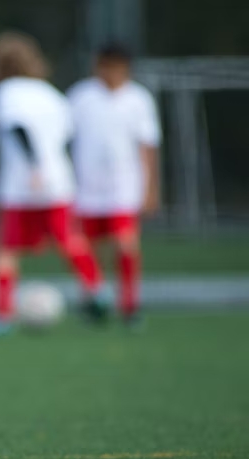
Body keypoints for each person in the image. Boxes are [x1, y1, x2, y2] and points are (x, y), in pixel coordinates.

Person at [0, 31, 107, 335]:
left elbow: (17, 126)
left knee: (6, 250)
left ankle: (2, 315)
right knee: (69, 240)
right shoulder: (51, 93)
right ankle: (97, 290)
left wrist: (33, 165)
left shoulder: (6, 91)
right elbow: (67, 134)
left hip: (20, 183)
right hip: (58, 181)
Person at [67, 43, 162, 327]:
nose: (108, 72)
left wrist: (151, 189)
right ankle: (94, 302)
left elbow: (148, 147)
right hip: (86, 189)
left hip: (124, 188)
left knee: (125, 244)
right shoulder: (80, 96)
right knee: (88, 249)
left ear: (125, 68)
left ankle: (130, 305)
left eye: (114, 66)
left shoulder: (138, 99)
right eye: (103, 65)